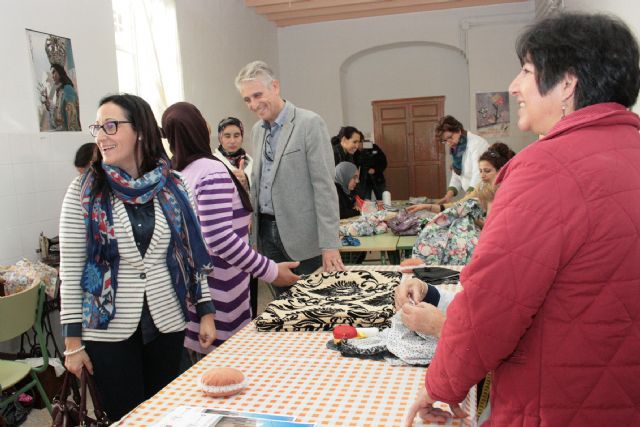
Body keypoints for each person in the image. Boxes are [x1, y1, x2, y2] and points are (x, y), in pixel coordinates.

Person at [405, 12, 640, 426]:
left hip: (558, 403)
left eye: (527, 71)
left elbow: (491, 308)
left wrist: (440, 384)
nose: (514, 86)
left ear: (567, 83)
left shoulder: (545, 169)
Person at [59, 94, 216, 421]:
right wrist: (73, 344)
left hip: (166, 320)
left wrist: (206, 311)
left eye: (111, 126)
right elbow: (72, 271)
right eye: (98, 127)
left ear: (141, 131)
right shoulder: (84, 191)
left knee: (169, 411)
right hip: (107, 330)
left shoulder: (175, 185)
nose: (101, 136)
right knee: (126, 415)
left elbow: (190, 253)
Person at [161, 102, 300, 356]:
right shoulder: (210, 172)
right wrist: (270, 271)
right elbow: (219, 239)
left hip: (198, 291)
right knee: (227, 363)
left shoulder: (176, 171)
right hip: (220, 292)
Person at [235, 60, 344, 296]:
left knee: (313, 305)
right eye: (247, 99)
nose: (253, 104)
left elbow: (324, 187)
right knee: (282, 305)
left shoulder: (309, 123)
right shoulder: (256, 131)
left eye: (257, 95)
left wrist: (330, 244)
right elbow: (264, 184)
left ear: (275, 86)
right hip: (266, 236)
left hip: (304, 239)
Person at [407, 142, 515, 215]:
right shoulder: (482, 187)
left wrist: (472, 220)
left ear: (501, 170)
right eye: (480, 171)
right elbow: (458, 205)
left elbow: (492, 227)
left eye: (487, 171)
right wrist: (428, 207)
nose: (482, 175)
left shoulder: (508, 192)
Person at [433, 115, 488, 205]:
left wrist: (467, 197)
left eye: (450, 137)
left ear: (458, 130)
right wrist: (448, 196)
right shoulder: (457, 149)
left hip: (483, 194)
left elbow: (478, 174)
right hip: (471, 196)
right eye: (445, 140)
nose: (449, 143)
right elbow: (457, 174)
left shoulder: (477, 144)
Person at [214, 116, 253, 192]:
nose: (232, 141)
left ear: (242, 137)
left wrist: (247, 183)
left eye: (236, 136)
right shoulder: (213, 162)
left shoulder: (250, 162)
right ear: (220, 138)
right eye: (227, 136)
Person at [41, 64, 81, 131]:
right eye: (51, 74)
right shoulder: (57, 90)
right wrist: (48, 103)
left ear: (60, 72)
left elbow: (72, 119)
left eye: (54, 72)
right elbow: (55, 111)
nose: (52, 77)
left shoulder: (67, 90)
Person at [354, 134, 387, 200]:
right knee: (366, 201)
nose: (356, 145)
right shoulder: (355, 151)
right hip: (364, 181)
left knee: (383, 200)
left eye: (358, 142)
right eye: (355, 142)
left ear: (362, 141)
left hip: (378, 179)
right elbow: (354, 165)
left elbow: (384, 162)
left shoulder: (373, 147)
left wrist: (375, 170)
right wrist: (355, 176)